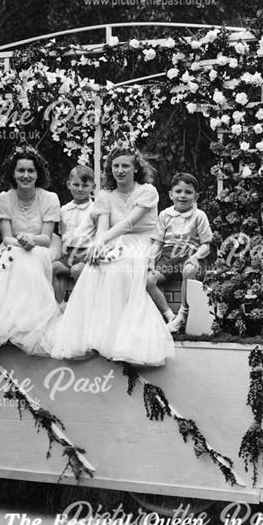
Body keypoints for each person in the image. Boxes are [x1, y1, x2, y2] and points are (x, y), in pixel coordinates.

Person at [49, 147, 174, 367]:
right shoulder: (106, 195)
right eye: (115, 166)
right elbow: (103, 226)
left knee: (121, 267)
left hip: (142, 242)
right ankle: (90, 335)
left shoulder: (147, 191)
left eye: (125, 165)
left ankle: (121, 338)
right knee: (93, 267)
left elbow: (128, 224)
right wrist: (98, 247)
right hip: (114, 240)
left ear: (136, 168)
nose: (120, 170)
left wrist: (101, 242)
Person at [0, 147, 62, 363]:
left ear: (38, 174)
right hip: (12, 244)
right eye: (21, 171)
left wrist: (31, 241)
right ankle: (9, 320)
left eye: (30, 171)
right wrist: (21, 242)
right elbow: (6, 237)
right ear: (13, 173)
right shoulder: (4, 199)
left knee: (33, 256)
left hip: (43, 246)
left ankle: (32, 322)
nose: (26, 176)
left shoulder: (50, 198)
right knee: (14, 256)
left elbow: (46, 238)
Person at [146, 173, 213, 333]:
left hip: (191, 255)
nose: (183, 196)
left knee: (189, 271)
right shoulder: (165, 215)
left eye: (188, 192)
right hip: (169, 256)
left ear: (195, 196)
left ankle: (183, 313)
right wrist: (151, 260)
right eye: (178, 191)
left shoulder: (199, 216)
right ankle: (170, 316)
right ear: (171, 194)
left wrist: (195, 257)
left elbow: (206, 245)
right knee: (149, 279)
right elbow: (157, 242)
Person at [51, 165, 97, 290]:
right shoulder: (64, 210)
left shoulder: (95, 209)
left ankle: (80, 305)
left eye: (85, 185)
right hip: (68, 254)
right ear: (68, 184)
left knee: (77, 270)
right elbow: (62, 234)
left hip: (86, 254)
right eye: (76, 185)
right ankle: (60, 305)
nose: (80, 189)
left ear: (93, 187)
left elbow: (100, 235)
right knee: (49, 268)